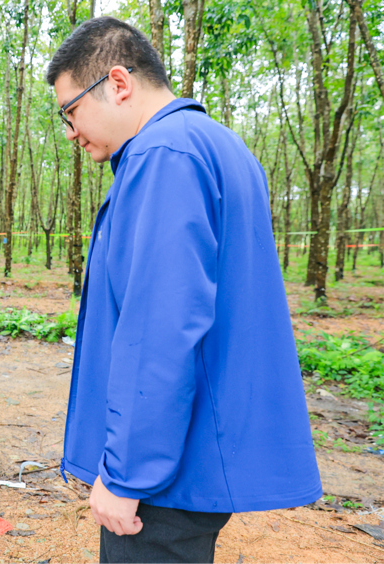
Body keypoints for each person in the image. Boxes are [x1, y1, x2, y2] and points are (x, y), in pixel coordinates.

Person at [46, 17, 321, 563]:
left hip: (166, 470)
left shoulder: (163, 155)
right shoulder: (217, 144)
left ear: (118, 84)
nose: (71, 131)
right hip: (193, 448)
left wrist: (127, 474)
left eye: (71, 110)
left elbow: (160, 328)